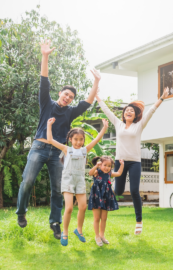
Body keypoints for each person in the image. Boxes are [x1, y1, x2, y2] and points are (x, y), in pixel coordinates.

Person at [16, 39, 101, 240]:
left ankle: (55, 222)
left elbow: (88, 102)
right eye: (66, 94)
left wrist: (96, 82)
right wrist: (45, 56)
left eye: (71, 96)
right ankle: (21, 212)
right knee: (27, 181)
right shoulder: (46, 103)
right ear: (59, 93)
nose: (68, 98)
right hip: (39, 147)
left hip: (58, 154)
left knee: (57, 189)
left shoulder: (71, 112)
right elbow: (43, 80)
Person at [96, 87, 169, 235]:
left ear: (135, 115)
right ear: (123, 114)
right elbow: (107, 111)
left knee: (135, 190)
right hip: (120, 161)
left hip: (135, 162)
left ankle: (139, 221)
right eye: (126, 110)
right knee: (118, 190)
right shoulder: (118, 124)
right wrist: (97, 97)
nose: (128, 112)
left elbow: (151, 112)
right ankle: (103, 203)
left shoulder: (139, 125)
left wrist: (161, 98)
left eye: (132, 111)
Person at [46, 117, 109, 246]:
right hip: (68, 179)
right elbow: (50, 140)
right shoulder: (66, 149)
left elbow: (97, 139)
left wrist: (104, 128)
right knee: (69, 208)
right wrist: (49, 125)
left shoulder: (84, 150)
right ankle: (65, 232)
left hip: (80, 180)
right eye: (76, 139)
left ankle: (78, 230)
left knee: (83, 207)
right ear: (70, 139)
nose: (78, 142)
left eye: (81, 140)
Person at [88, 156, 124, 246]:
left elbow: (119, 173)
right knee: (97, 218)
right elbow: (90, 173)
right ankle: (97, 236)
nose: (107, 167)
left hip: (106, 196)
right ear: (100, 165)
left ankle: (102, 235)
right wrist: (96, 166)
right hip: (97, 195)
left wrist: (122, 165)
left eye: (109, 166)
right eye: (105, 165)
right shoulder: (97, 172)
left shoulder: (109, 174)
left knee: (104, 218)